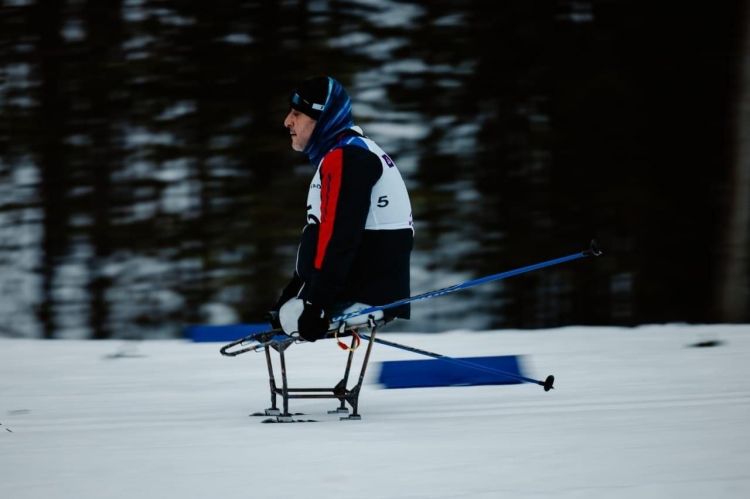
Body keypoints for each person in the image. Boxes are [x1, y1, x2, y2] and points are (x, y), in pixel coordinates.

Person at [268, 75, 414, 342]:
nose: (287, 121)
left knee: (293, 318)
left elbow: (340, 237)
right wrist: (293, 293)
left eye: (296, 114)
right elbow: (324, 237)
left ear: (321, 118)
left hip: (362, 296)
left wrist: (317, 304)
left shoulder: (347, 158)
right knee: (287, 314)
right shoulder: (347, 153)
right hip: (359, 288)